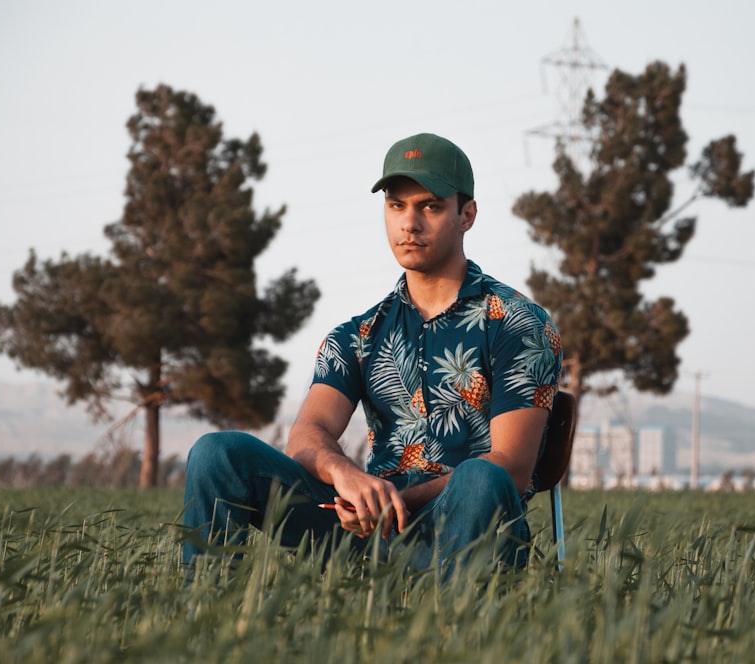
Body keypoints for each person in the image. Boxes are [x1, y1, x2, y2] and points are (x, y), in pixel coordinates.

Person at [182, 132, 562, 573]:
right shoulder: (359, 334)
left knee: (483, 477)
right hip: (365, 532)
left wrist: (396, 501)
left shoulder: (517, 322)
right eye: (396, 205)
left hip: (464, 526)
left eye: (430, 207)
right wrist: (347, 477)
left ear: (467, 215)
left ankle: (449, 630)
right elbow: (308, 434)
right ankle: (206, 619)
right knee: (216, 452)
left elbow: (511, 467)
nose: (409, 224)